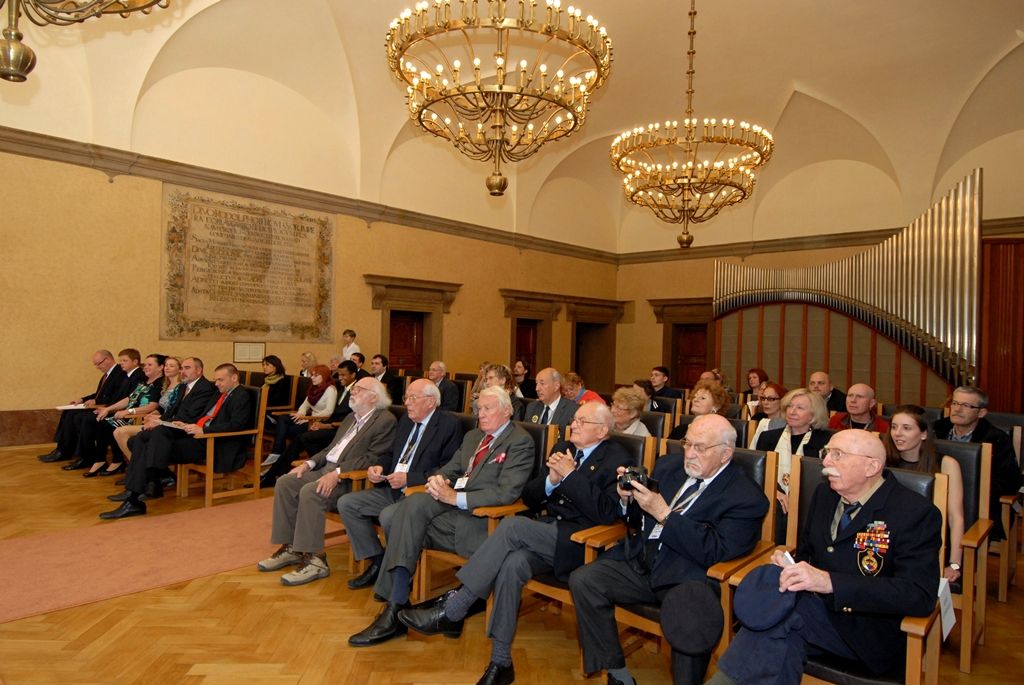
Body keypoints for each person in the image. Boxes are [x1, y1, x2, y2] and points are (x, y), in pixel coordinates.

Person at [397, 402, 633, 685]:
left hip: (581, 542)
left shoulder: (616, 456)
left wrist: (571, 477)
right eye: (574, 420)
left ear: (602, 431)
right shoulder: (563, 448)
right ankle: (501, 661)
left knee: (512, 527)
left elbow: (607, 514)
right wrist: (551, 481)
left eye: (582, 421)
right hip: (548, 531)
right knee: (512, 563)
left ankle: (456, 607)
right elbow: (530, 497)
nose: (574, 425)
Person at [710, 429, 942, 684]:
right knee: (779, 628)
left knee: (776, 619)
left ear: (871, 466)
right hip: (811, 612)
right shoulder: (825, 495)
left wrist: (830, 582)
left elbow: (918, 595)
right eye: (827, 453)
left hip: (865, 628)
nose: (826, 462)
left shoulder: (914, 513)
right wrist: (792, 564)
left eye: (838, 454)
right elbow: (809, 552)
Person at [569, 414, 769, 685]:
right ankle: (616, 673)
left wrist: (665, 514)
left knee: (690, 618)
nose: (689, 454)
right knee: (584, 580)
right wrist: (627, 500)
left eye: (700, 448)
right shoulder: (668, 467)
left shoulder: (746, 497)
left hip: (685, 574)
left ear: (725, 454)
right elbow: (636, 520)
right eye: (687, 444)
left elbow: (716, 551)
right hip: (641, 561)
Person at [347, 386, 534, 647]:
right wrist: (437, 482)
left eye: (488, 408)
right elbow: (451, 468)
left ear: (507, 410)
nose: (481, 414)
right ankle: (397, 603)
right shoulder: (472, 437)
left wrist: (453, 497)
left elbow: (506, 493)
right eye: (479, 408)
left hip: (481, 520)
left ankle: (394, 607)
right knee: (403, 509)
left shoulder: (520, 442)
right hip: (451, 508)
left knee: (395, 516)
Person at [257, 377, 397, 586]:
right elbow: (332, 449)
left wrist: (338, 473)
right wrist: (309, 463)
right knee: (285, 482)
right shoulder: (351, 417)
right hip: (326, 469)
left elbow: (373, 458)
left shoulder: (385, 421)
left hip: (348, 479)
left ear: (373, 397)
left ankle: (316, 560)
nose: (353, 392)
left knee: (311, 491)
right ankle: (292, 548)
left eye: (359, 389)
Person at [338, 379, 463, 590]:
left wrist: (410, 479)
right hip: (393, 488)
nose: (407, 403)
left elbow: (448, 470)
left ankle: (398, 575)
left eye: (413, 398)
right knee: (347, 504)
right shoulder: (406, 421)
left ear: (431, 402)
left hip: (419, 494)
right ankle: (378, 560)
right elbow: (391, 455)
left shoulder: (448, 425)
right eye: (406, 397)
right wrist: (379, 467)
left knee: (389, 515)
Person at [100, 362, 251, 519]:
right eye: (216, 380)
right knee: (142, 439)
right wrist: (187, 424)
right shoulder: (220, 392)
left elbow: (237, 425)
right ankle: (141, 490)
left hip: (213, 443)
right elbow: (202, 415)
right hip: (196, 434)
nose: (217, 383)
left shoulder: (241, 395)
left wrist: (204, 430)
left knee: (152, 438)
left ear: (234, 378)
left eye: (221, 380)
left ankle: (144, 489)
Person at [885, 405, 965, 582]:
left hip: (929, 542)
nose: (897, 433)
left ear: (923, 434)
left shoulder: (946, 464)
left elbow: (955, 517)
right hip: (889, 540)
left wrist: (954, 563)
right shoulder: (882, 461)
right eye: (894, 427)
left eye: (906, 428)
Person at [932, 385, 1022, 540]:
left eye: (966, 405)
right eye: (954, 403)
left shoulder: (996, 439)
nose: (957, 409)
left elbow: (1009, 481)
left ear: (981, 412)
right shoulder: (936, 429)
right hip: (936, 496)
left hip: (976, 503)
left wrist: (964, 490)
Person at [261, 360, 360, 488]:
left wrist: (324, 424)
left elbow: (350, 419)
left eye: (343, 375)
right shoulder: (342, 389)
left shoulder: (354, 391)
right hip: (325, 424)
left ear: (353, 375)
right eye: (338, 374)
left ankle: (277, 472)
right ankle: (275, 473)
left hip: (339, 429)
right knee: (296, 434)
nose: (339, 377)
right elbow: (308, 406)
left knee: (303, 437)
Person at [756, 388, 832, 543]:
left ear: (813, 414)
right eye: (790, 406)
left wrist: (796, 497)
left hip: (810, 499)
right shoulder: (768, 437)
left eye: (800, 408)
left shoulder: (826, 441)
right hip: (774, 499)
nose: (792, 411)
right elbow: (758, 472)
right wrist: (775, 492)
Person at [39, 349, 129, 464]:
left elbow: (116, 396)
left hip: (108, 407)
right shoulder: (107, 375)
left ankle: (82, 454)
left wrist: (96, 401)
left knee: (79, 417)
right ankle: (62, 448)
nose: (97, 367)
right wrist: (82, 399)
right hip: (101, 405)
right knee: (68, 412)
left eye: (99, 363)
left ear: (108, 359)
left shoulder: (119, 373)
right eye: (95, 364)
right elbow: (99, 394)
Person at [83, 354, 166, 477]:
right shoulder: (144, 381)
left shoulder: (159, 384)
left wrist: (129, 411)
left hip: (140, 418)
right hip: (129, 415)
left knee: (107, 424)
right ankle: (102, 459)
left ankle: (121, 461)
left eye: (150, 365)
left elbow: (152, 406)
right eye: (145, 364)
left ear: (160, 367)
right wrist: (108, 409)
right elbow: (129, 399)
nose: (145, 367)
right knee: (101, 420)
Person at [109, 357, 183, 474]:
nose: (167, 368)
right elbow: (162, 408)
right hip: (158, 420)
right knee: (117, 431)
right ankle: (138, 468)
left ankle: (138, 470)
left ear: (180, 370)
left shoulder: (181, 387)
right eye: (166, 365)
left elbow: (177, 410)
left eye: (171, 366)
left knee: (121, 432)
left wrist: (158, 417)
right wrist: (155, 413)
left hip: (167, 423)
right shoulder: (166, 385)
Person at [263, 364, 337, 467]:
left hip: (317, 422)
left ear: (323, 376)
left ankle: (278, 453)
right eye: (312, 375)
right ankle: (277, 452)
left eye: (315, 375)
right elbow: (304, 405)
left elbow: (329, 412)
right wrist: (300, 414)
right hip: (307, 419)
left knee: (285, 430)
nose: (312, 378)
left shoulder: (331, 390)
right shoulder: (313, 388)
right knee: (283, 418)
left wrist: (306, 419)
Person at [748, 381, 787, 448]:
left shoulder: (789, 425)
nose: (765, 402)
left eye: (771, 399)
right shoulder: (763, 422)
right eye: (763, 398)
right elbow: (753, 451)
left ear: (782, 400)